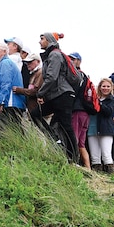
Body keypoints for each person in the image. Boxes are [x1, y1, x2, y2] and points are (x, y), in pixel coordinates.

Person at [36, 32, 79, 163]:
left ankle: (73, 158)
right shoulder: (51, 55)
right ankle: (56, 141)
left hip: (63, 95)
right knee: (35, 114)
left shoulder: (54, 55)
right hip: (57, 96)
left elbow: (51, 77)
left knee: (66, 125)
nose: (39, 42)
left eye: (42, 39)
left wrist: (40, 93)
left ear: (49, 41)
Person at [87, 78, 114, 173]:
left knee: (106, 154)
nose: (106, 88)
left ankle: (110, 176)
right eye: (103, 86)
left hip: (105, 130)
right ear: (99, 87)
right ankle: (97, 177)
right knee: (95, 156)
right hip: (92, 128)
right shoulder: (94, 99)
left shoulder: (112, 100)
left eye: (108, 86)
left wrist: (99, 103)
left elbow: (108, 112)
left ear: (111, 88)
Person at [0, 39, 26, 131]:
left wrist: (0, 101)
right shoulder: (6, 63)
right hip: (15, 102)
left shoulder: (5, 63)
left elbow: (5, 83)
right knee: (15, 130)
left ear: (4, 51)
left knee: (10, 130)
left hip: (11, 102)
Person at [68, 53, 92, 168]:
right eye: (70, 59)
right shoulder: (85, 76)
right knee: (81, 143)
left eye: (73, 59)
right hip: (86, 112)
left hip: (77, 111)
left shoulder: (77, 75)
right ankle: (88, 168)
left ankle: (74, 162)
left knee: (75, 138)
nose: (71, 61)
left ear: (79, 61)